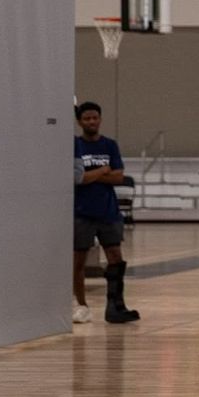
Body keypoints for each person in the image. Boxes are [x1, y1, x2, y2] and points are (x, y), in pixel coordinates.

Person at [73, 101, 137, 324]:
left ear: (100, 119)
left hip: (108, 211)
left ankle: (116, 305)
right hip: (81, 212)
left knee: (115, 258)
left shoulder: (110, 145)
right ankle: (81, 305)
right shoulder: (75, 145)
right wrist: (102, 170)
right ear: (79, 122)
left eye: (95, 118)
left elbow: (119, 177)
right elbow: (77, 179)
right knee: (78, 261)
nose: (91, 122)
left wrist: (90, 175)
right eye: (87, 118)